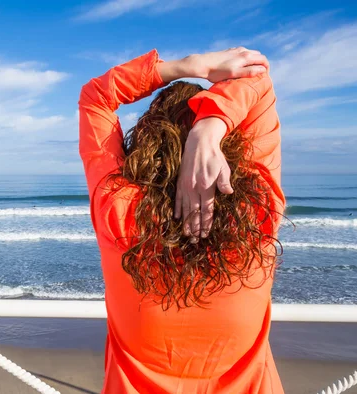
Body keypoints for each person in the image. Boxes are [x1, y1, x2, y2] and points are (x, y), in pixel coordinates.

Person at [79, 47, 285, 393]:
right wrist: (209, 127)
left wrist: (187, 66)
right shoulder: (256, 214)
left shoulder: (118, 213)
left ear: (145, 142)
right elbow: (259, 80)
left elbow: (96, 97)